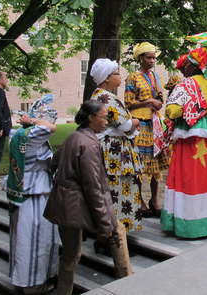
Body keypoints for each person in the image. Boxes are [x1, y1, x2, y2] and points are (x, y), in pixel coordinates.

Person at [44, 101, 132, 295]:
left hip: (64, 204)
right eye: (104, 116)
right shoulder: (89, 145)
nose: (107, 120)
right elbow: (94, 187)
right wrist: (105, 223)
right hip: (77, 205)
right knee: (117, 231)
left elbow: (54, 162)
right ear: (91, 118)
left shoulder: (73, 137)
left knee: (70, 255)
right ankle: (128, 285)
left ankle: (63, 292)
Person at [161, 48, 207, 238]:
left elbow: (173, 111)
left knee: (189, 177)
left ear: (193, 66)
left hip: (191, 135)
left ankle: (189, 224)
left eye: (185, 66)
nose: (183, 70)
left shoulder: (185, 85)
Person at [90, 58, 152, 233]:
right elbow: (124, 125)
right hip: (116, 152)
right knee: (119, 190)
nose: (120, 75)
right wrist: (136, 121)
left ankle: (108, 233)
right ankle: (117, 236)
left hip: (109, 148)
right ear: (107, 78)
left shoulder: (97, 95)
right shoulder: (106, 97)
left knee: (110, 191)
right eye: (116, 73)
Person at [5, 96, 59, 294]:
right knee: (34, 241)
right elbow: (49, 128)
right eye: (48, 117)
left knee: (28, 240)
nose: (51, 121)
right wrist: (33, 120)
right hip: (33, 194)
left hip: (30, 193)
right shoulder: (29, 135)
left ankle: (25, 280)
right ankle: (32, 285)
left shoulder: (19, 135)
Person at [125, 42, 168, 217]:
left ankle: (155, 200)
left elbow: (160, 98)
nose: (152, 61)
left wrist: (157, 101)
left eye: (154, 58)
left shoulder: (156, 77)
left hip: (155, 124)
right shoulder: (132, 77)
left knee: (156, 164)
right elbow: (128, 102)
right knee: (139, 165)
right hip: (139, 123)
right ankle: (139, 200)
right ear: (140, 58)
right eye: (149, 57)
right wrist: (148, 102)